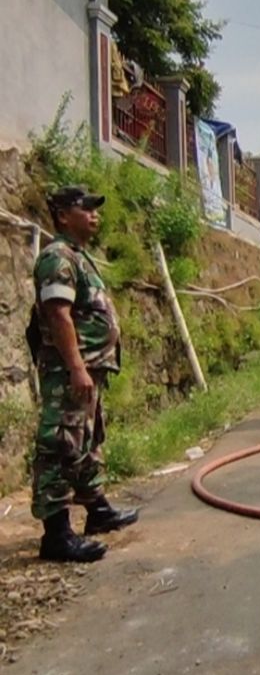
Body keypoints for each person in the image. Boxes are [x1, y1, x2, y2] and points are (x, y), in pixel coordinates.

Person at [30, 185, 138, 562]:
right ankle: (56, 535)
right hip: (69, 371)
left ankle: (97, 510)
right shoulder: (57, 256)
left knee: (88, 439)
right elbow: (58, 314)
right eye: (86, 208)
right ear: (62, 215)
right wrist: (76, 367)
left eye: (96, 208)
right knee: (61, 443)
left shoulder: (78, 256)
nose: (95, 214)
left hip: (89, 368)